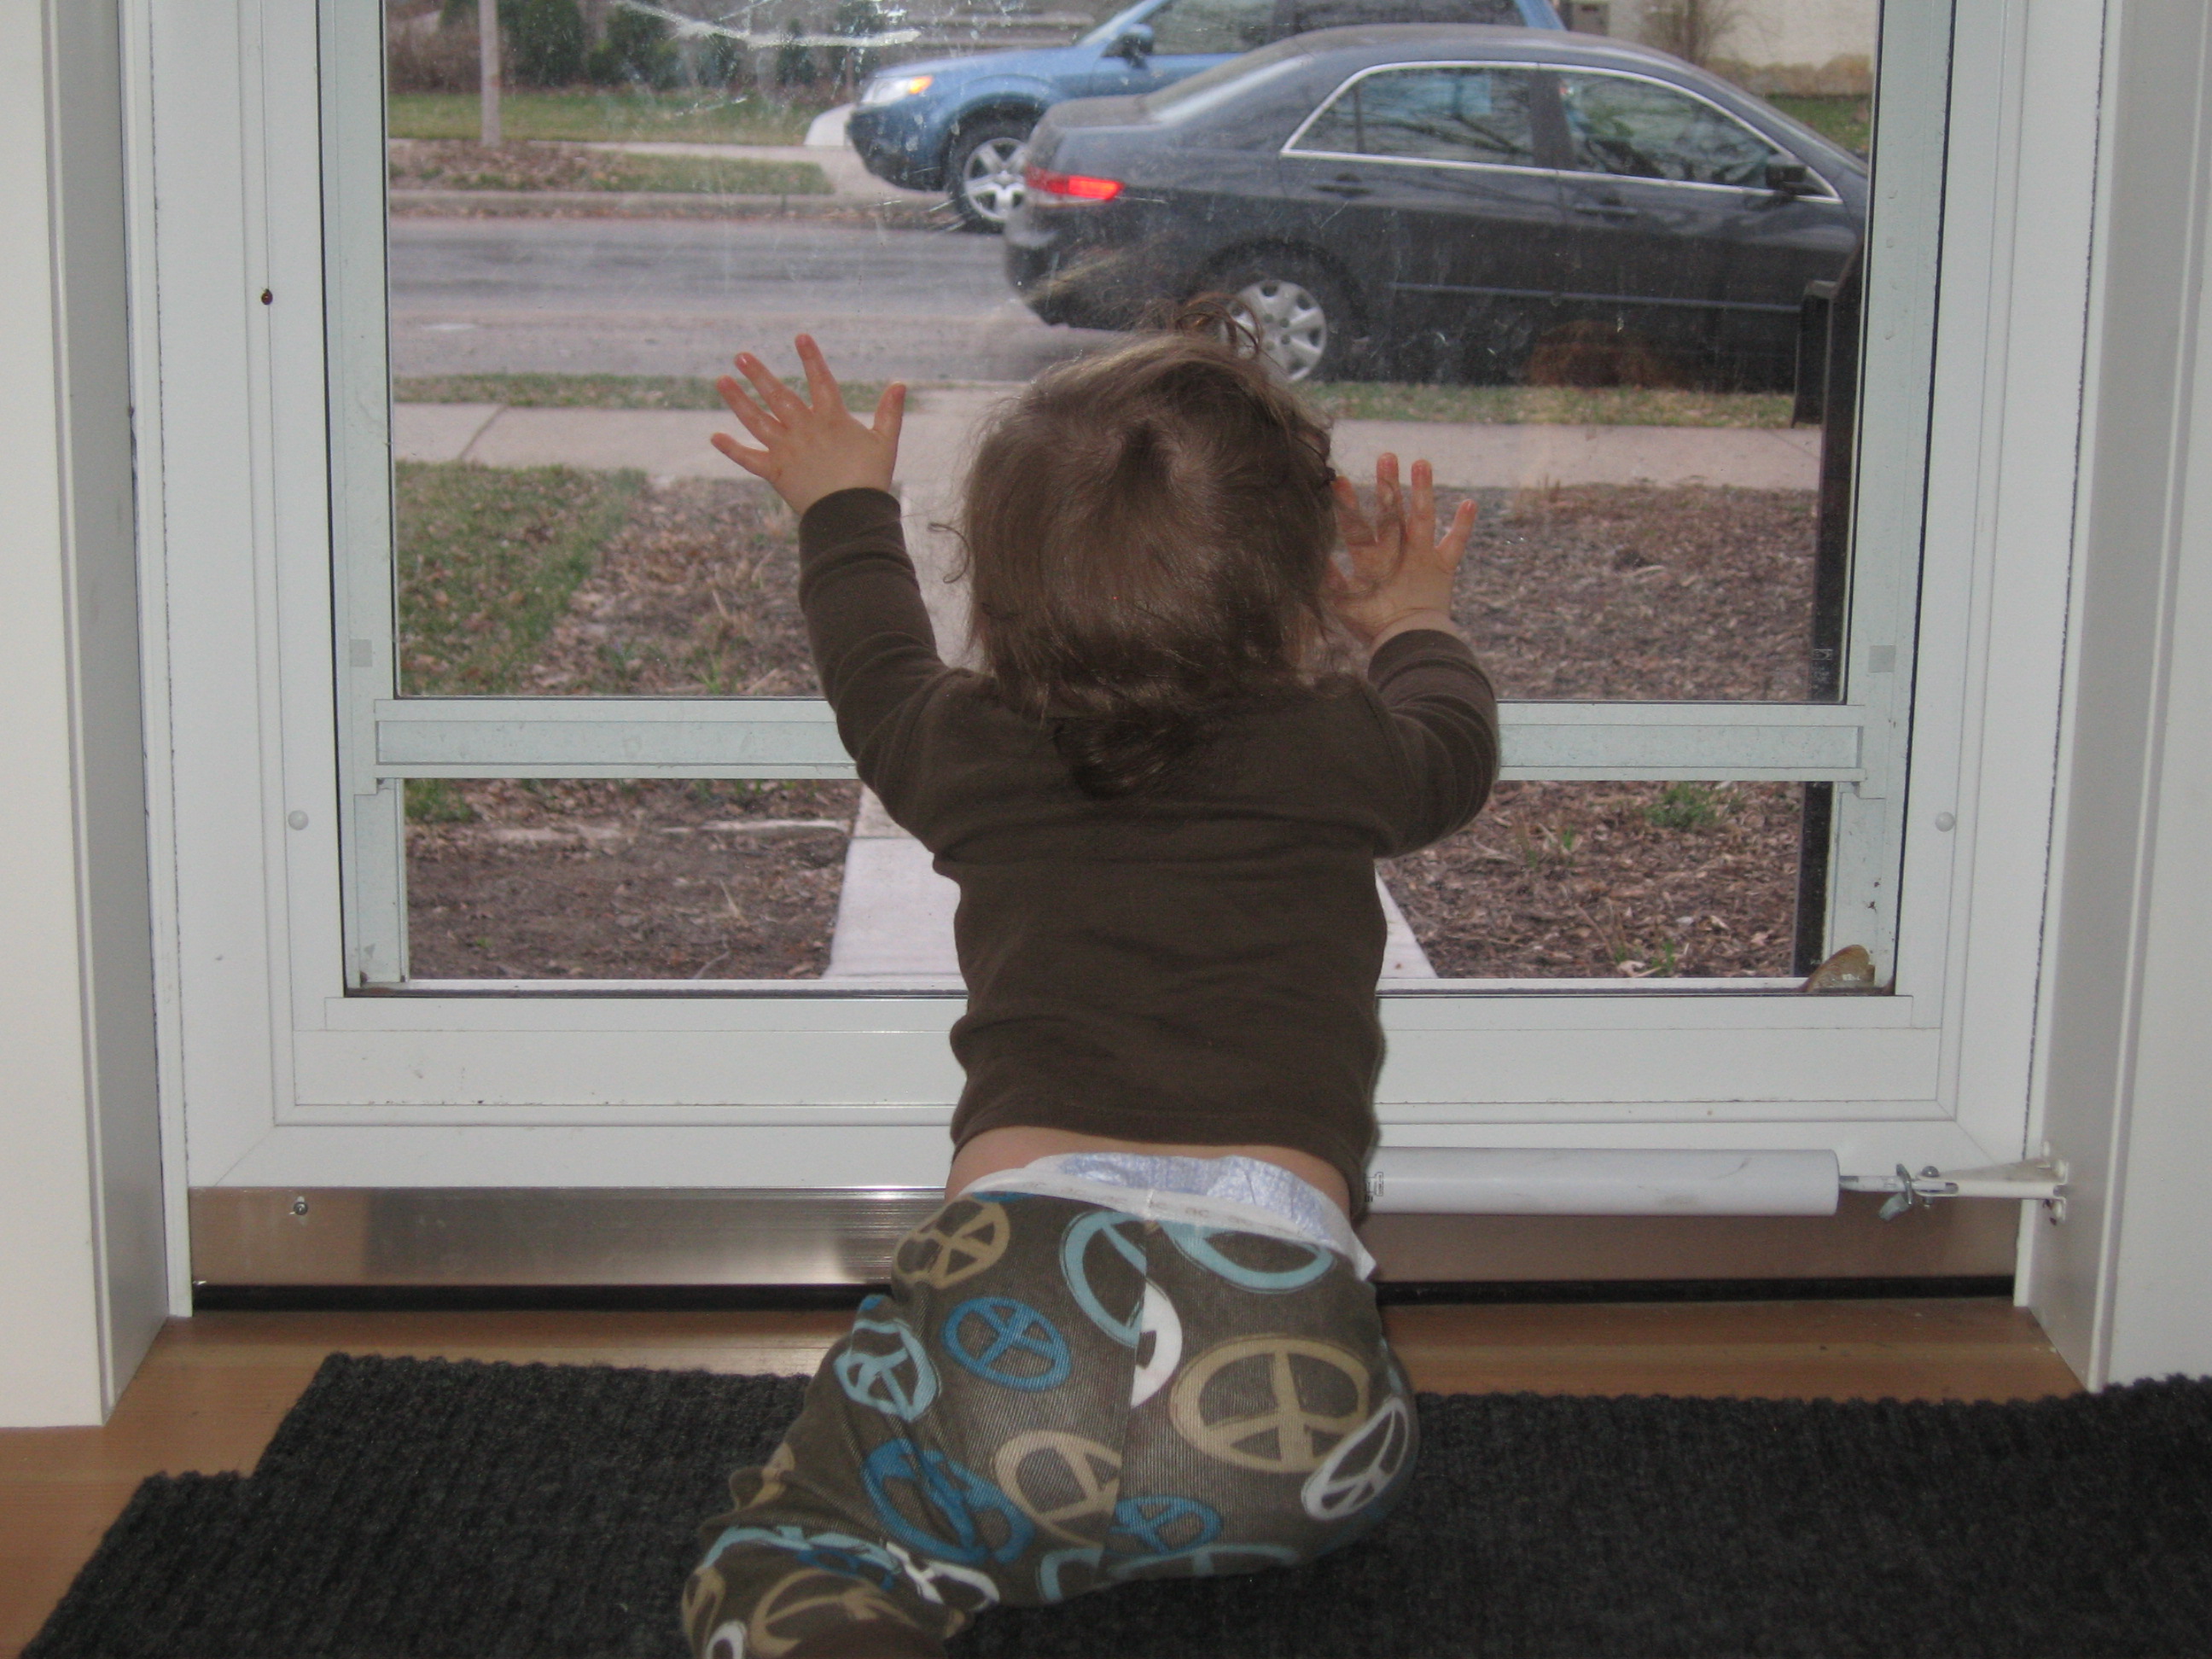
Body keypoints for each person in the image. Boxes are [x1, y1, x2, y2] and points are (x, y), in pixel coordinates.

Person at [682, 312, 1499, 1659]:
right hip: (1290, 1397)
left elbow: (873, 668)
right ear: (1301, 587)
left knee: (787, 1545)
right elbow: (1456, 747)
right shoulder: (1342, 752)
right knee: (1328, 1461)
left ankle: (879, 1589)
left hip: (1008, 1337)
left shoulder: (969, 745)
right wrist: (1413, 621)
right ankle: (1204, 1518)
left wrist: (840, 505)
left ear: (997, 596)